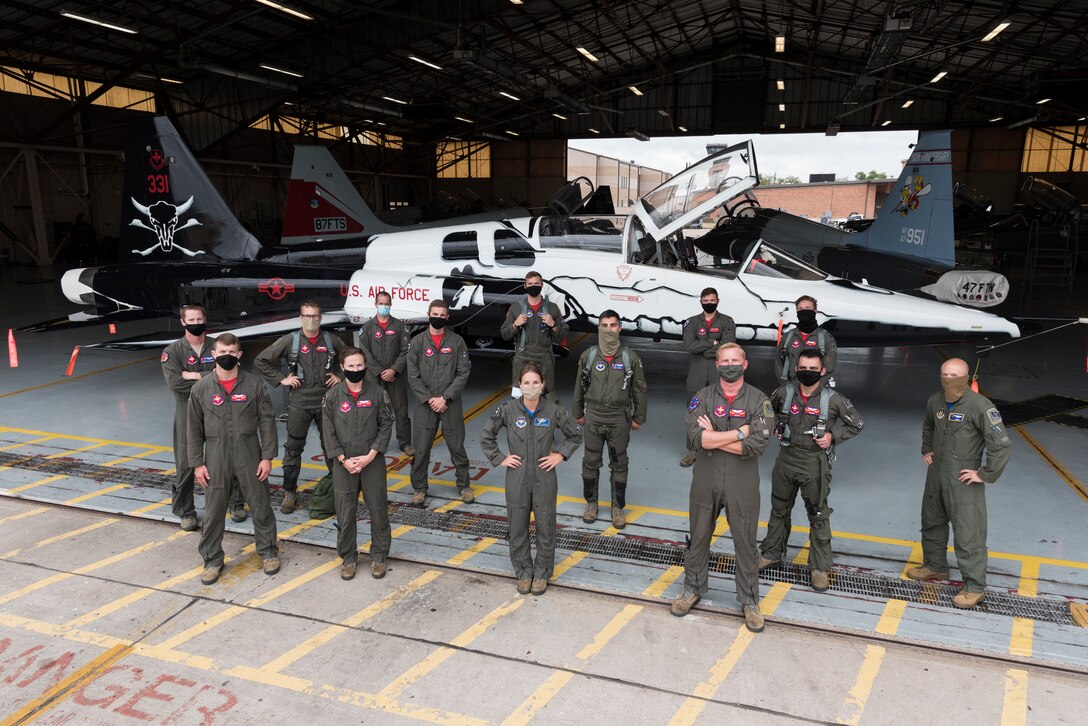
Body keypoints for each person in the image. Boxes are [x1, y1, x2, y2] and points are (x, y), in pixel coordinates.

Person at [671, 343, 772, 633]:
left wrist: (714, 435)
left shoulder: (759, 401)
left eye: (734, 360)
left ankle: (749, 600)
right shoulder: (701, 397)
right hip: (706, 478)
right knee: (699, 535)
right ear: (716, 365)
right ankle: (692, 588)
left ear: (745, 364)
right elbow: (696, 439)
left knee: (745, 540)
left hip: (743, 481)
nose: (730, 364)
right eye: (724, 360)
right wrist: (740, 432)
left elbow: (757, 444)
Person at [907, 357, 1011, 608]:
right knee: (932, 522)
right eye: (944, 374)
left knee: (968, 534)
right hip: (936, 475)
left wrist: (984, 474)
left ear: (966, 377)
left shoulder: (981, 407)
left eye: (954, 375)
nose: (948, 379)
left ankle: (974, 586)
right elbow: (929, 425)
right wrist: (927, 449)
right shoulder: (936, 401)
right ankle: (935, 566)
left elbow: (1001, 445)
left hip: (963, 480)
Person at [758, 351, 864, 591]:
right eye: (803, 367)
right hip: (786, 459)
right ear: (796, 368)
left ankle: (820, 567)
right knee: (779, 510)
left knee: (818, 515)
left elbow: (857, 423)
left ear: (822, 371)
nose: (807, 372)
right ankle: (772, 553)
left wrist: (832, 436)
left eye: (813, 368)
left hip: (814, 463)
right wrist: (775, 426)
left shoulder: (834, 400)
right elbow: (765, 411)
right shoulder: (785, 393)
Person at [481, 363, 582, 595]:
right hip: (516, 476)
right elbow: (487, 435)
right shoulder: (508, 409)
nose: (531, 387)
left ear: (543, 385)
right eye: (526, 382)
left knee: (546, 525)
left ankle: (542, 573)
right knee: (517, 526)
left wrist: (560, 455)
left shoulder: (553, 410)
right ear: (519, 384)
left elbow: (576, 434)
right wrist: (500, 458)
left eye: (535, 382)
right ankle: (524, 572)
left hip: (544, 476)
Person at [188, 334, 280, 585]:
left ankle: (269, 552)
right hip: (216, 454)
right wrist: (197, 463)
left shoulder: (254, 385)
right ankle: (212, 559)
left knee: (260, 503)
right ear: (213, 354)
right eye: (221, 351)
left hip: (249, 450)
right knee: (215, 508)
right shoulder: (201, 389)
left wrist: (267, 456)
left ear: (239, 355)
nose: (226, 356)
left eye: (232, 351)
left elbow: (267, 421)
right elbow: (193, 429)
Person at [255, 301, 346, 514]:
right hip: (299, 404)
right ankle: (290, 492)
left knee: (332, 447)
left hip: (326, 403)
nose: (311, 320)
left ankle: (336, 490)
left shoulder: (331, 340)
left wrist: (340, 376)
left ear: (320, 318)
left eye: (315, 316)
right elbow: (261, 360)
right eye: (307, 316)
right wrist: (281, 379)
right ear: (301, 317)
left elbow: (355, 358)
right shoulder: (291, 340)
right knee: (293, 449)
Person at [161, 303, 245, 530]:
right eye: (192, 320)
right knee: (187, 460)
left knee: (227, 454)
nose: (196, 324)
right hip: (186, 408)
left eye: (200, 320)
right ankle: (185, 510)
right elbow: (176, 384)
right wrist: (209, 378)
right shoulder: (172, 351)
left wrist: (194, 374)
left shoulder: (217, 346)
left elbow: (230, 374)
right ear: (183, 322)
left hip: (217, 407)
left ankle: (235, 503)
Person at [321, 347, 394, 580]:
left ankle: (379, 556)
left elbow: (385, 425)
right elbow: (328, 432)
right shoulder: (332, 397)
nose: (355, 370)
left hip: (371, 461)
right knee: (345, 512)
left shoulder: (377, 393)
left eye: (359, 366)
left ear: (365, 366)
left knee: (378, 510)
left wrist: (371, 455)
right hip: (344, 465)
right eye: (350, 366)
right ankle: (349, 558)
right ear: (342, 368)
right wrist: (342, 460)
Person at [572, 310, 648, 529]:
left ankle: (617, 507)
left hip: (618, 418)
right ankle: (591, 504)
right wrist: (578, 413)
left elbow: (640, 390)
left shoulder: (629, 357)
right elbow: (579, 387)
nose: (608, 329)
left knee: (620, 463)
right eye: (603, 325)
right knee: (590, 462)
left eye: (612, 325)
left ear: (619, 328)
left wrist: (638, 417)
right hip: (593, 416)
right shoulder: (588, 356)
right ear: (599, 328)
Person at [406, 299, 473, 506]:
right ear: (428, 314)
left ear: (447, 317)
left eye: (442, 315)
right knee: (421, 447)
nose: (438, 317)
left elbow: (463, 372)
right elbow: (412, 375)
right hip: (425, 404)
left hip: (450, 402)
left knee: (457, 446)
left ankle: (464, 486)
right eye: (435, 314)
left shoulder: (456, 341)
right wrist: (429, 399)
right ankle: (419, 489)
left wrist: (444, 397)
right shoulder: (417, 342)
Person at [680, 287, 736, 467]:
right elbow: (689, 346)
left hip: (718, 373)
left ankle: (718, 448)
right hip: (696, 374)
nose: (709, 303)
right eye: (706, 301)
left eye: (712, 300)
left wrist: (704, 348)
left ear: (718, 301)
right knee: (695, 411)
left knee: (719, 410)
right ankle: (694, 449)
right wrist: (712, 343)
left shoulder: (727, 321)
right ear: (701, 302)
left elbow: (727, 347)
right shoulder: (692, 322)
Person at [358, 290, 414, 458]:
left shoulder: (400, 327)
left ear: (390, 305)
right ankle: (375, 443)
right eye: (380, 303)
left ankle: (405, 443)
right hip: (374, 377)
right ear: (375, 305)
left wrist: (393, 370)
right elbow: (364, 353)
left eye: (386, 304)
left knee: (401, 410)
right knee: (374, 409)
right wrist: (380, 372)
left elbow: (406, 351)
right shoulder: (366, 328)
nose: (383, 307)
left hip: (395, 376)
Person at [500, 271, 569, 398]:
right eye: (530, 284)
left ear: (542, 285)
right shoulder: (516, 308)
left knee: (548, 398)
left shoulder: (553, 308)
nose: (533, 286)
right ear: (525, 286)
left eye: (536, 283)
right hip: (522, 358)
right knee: (518, 398)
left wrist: (553, 324)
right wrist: (515, 324)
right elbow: (505, 334)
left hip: (545, 359)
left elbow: (563, 334)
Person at [776, 295, 838, 384]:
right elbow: (779, 364)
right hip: (791, 389)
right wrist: (787, 388)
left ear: (815, 311)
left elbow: (829, 368)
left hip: (816, 390)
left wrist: (815, 389)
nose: (804, 311)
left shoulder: (826, 338)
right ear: (797, 312)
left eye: (808, 308)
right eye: (800, 309)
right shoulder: (787, 337)